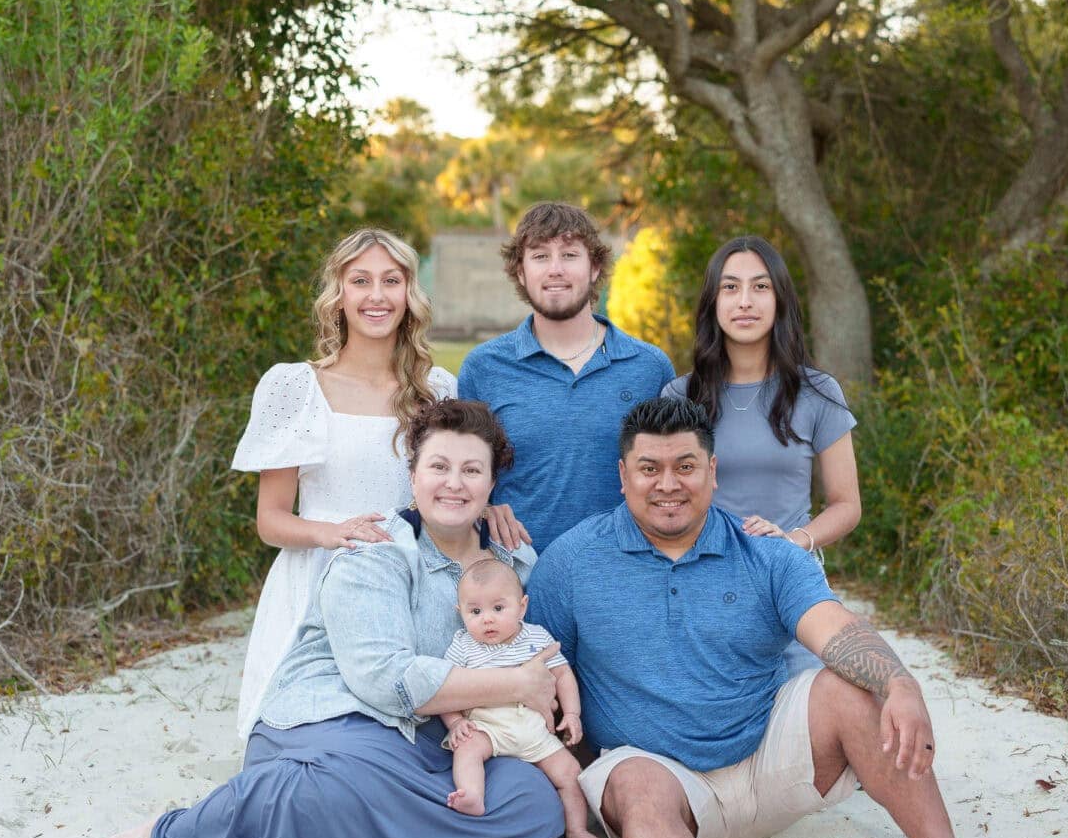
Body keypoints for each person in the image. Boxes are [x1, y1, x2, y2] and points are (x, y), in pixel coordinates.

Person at [526, 398, 1025, 838]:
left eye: (685, 466)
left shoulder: (767, 554)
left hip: (769, 762)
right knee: (633, 782)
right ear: (623, 476)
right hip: (663, 782)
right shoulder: (571, 562)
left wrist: (899, 682)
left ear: (713, 472)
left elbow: (835, 631)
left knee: (851, 688)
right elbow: (542, 680)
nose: (668, 483)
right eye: (650, 468)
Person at [97, 400, 566, 838]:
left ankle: (366, 836)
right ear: (413, 477)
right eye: (439, 466)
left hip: (443, 742)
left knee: (534, 804)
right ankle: (177, 833)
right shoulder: (377, 549)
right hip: (339, 721)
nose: (454, 483)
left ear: (491, 485)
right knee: (334, 791)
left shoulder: (513, 561)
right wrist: (516, 684)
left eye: (472, 470)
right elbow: (384, 680)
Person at [229, 227, 462, 740]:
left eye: (391, 281)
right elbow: (270, 521)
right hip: (315, 579)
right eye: (361, 281)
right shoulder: (295, 386)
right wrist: (332, 533)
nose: (376, 296)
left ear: (409, 294)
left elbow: (450, 494)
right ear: (339, 295)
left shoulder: (438, 391)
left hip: (407, 582)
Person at [663, 235, 860, 675]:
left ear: (780, 300)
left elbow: (847, 505)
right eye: (730, 287)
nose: (745, 301)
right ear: (713, 302)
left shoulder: (818, 393)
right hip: (704, 582)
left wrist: (791, 544)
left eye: (761, 286)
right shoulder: (681, 396)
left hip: (787, 581)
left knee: (811, 707)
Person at [458, 202, 676, 553]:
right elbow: (462, 472)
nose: (555, 269)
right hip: (516, 578)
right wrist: (481, 506)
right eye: (540, 256)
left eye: (570, 254)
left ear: (595, 268)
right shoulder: (483, 368)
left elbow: (673, 475)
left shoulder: (649, 367)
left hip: (626, 574)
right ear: (520, 271)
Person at [439, 559, 607, 838]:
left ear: (522, 606)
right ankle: (473, 796)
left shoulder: (536, 637)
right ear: (460, 613)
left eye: (498, 608)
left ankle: (577, 830)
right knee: (466, 750)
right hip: (488, 725)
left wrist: (571, 713)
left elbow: (563, 673)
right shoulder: (463, 645)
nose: (487, 619)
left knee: (570, 773)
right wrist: (455, 722)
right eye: (475, 611)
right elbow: (444, 686)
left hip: (533, 727)